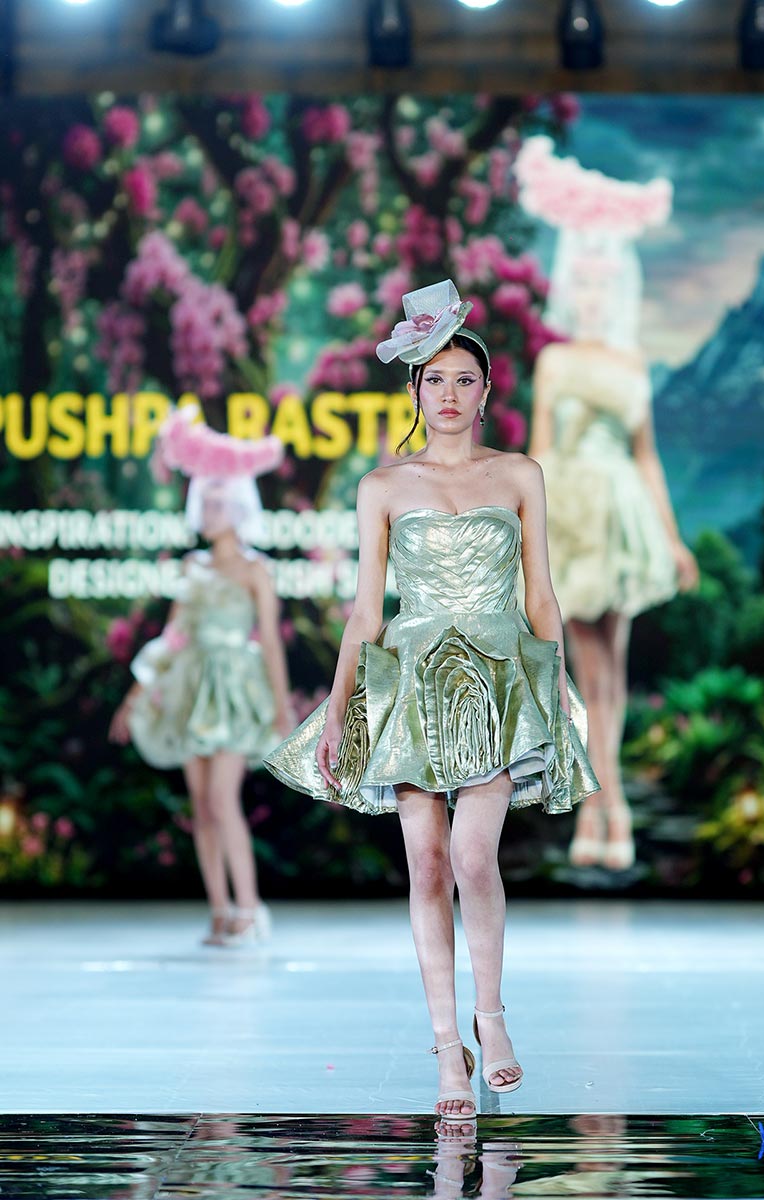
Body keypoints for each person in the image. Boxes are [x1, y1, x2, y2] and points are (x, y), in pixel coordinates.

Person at [266, 280, 600, 1123]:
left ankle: (492, 1015)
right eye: (435, 379)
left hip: (497, 679)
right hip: (413, 682)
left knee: (474, 858)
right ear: (415, 389)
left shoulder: (519, 474)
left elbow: (542, 596)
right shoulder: (383, 487)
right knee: (426, 862)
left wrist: (556, 687)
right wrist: (338, 708)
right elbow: (365, 612)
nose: (449, 394)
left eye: (465, 380)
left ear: (486, 394)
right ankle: (448, 1046)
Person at [516, 137, 700, 871]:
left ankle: (604, 807)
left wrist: (673, 538)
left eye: (603, 283)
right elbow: (539, 449)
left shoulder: (632, 364)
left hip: (618, 516)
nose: (592, 294)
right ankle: (606, 806)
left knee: (609, 668)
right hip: (568, 515)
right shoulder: (555, 360)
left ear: (618, 289)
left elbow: (646, 456)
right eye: (583, 283)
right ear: (572, 287)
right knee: (583, 664)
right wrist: (524, 528)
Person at [109, 407, 295, 947]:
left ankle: (249, 907)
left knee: (221, 798)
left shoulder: (256, 570)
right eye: (204, 501)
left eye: (219, 502)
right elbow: (171, 639)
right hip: (191, 690)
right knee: (202, 804)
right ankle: (219, 910)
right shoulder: (193, 567)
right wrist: (136, 695)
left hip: (234, 691)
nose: (210, 510)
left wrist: (282, 706)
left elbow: (270, 643)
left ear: (238, 506)